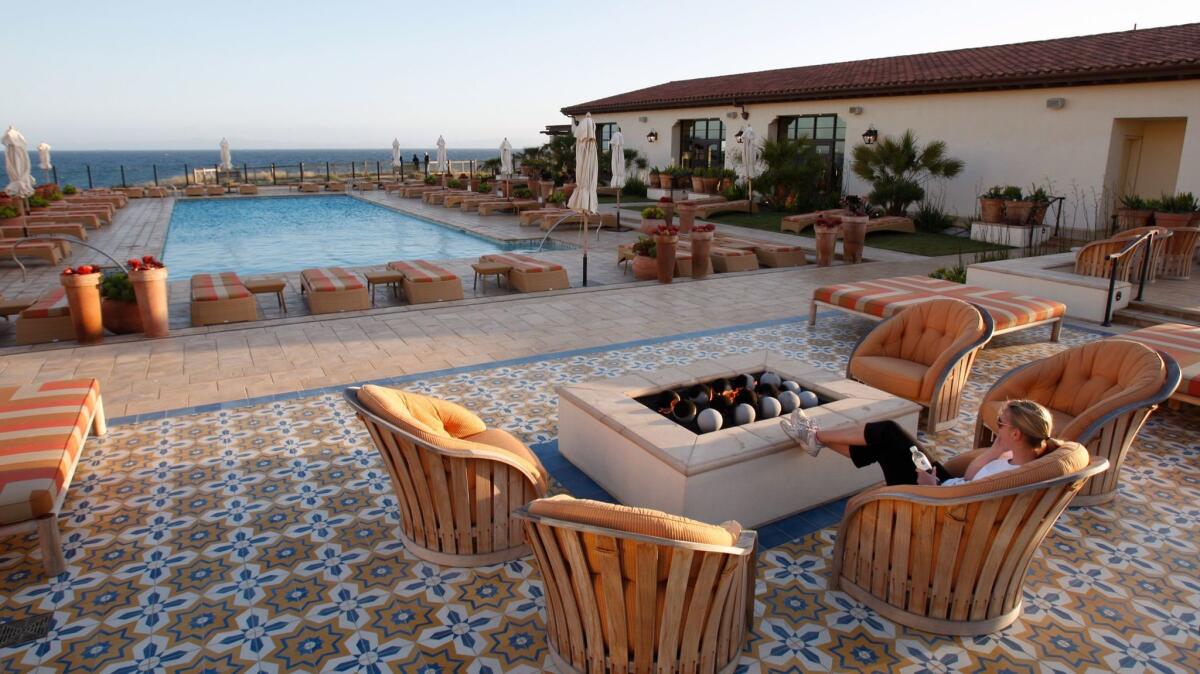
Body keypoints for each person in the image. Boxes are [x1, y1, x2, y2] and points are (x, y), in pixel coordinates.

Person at [781, 399, 1055, 487]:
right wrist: (996, 449)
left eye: (1001, 423)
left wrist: (931, 488)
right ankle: (815, 438)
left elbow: (971, 501)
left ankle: (816, 436)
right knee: (885, 439)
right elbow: (971, 479)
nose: (996, 426)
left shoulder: (1013, 478)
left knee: (886, 434)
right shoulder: (1018, 457)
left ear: (1017, 434)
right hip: (945, 484)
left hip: (935, 501)